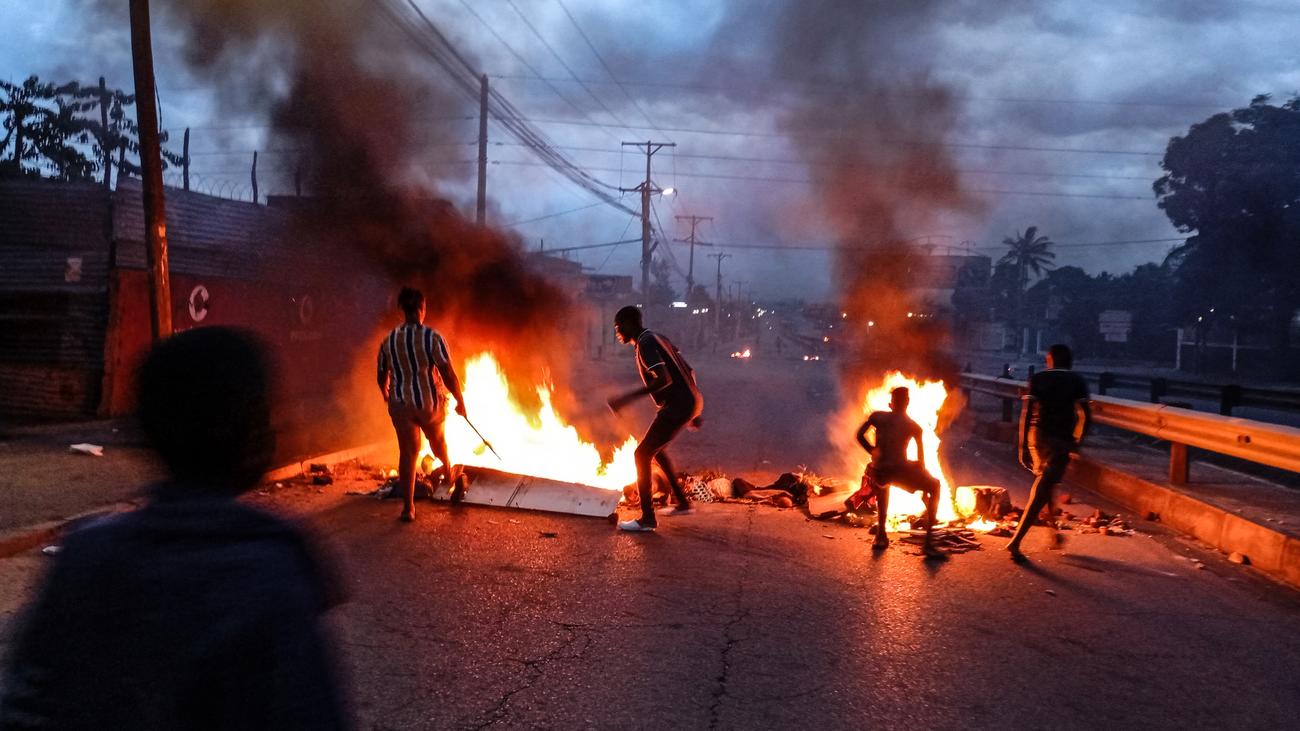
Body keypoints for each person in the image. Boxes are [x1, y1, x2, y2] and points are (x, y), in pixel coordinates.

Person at [0, 327, 349, 730]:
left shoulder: (85, 554)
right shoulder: (272, 572)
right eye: (264, 413)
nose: (275, 426)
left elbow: (28, 706)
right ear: (248, 433)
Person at [607, 305, 704, 532]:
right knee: (656, 450)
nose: (618, 332)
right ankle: (683, 502)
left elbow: (664, 379)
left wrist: (626, 398)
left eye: (619, 327)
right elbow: (689, 370)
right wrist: (694, 406)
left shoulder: (645, 343)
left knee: (641, 454)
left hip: (677, 406)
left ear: (630, 324)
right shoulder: (657, 337)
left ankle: (647, 519)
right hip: (688, 402)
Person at [377, 286, 467, 522]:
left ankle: (408, 509)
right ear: (421, 309)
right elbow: (447, 372)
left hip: (400, 404)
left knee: (408, 453)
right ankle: (453, 478)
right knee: (438, 445)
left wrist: (387, 394)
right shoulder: (432, 337)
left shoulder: (389, 340)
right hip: (429, 403)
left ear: (402, 311)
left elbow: (381, 375)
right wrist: (460, 401)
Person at [1007, 343, 1092, 562]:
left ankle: (1053, 534)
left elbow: (1026, 413)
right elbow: (1085, 415)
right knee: (1043, 486)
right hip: (1061, 441)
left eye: (1047, 358)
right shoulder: (1077, 380)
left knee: (1046, 484)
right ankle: (1016, 542)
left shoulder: (1038, 378)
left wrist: (1023, 446)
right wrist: (1078, 439)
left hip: (1037, 438)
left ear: (1051, 359)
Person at [852, 386, 944, 557]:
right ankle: (929, 542)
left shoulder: (877, 417)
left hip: (880, 471)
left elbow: (859, 435)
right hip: (900, 471)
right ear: (907, 402)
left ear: (891, 403)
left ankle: (881, 535)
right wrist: (923, 487)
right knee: (935, 486)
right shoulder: (914, 427)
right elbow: (921, 463)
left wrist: (872, 451)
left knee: (883, 482)